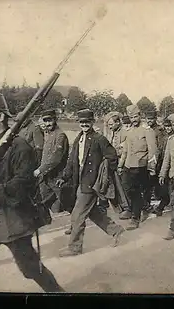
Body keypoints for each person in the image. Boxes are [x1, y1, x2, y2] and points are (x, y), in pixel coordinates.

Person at [0, 92, 63, 292]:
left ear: (0, 116)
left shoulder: (19, 146)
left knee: (30, 268)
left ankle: (57, 294)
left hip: (12, 219)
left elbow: (22, 184)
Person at [56, 109, 125, 257]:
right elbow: (71, 161)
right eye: (82, 122)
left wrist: (101, 171)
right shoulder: (78, 139)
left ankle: (75, 247)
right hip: (79, 181)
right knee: (92, 213)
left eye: (87, 122)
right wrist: (65, 177)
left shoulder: (99, 139)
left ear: (92, 122)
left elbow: (112, 156)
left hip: (91, 183)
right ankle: (116, 230)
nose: (84, 124)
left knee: (77, 215)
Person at [118, 105, 157, 230]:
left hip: (141, 166)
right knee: (126, 188)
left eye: (135, 117)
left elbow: (153, 151)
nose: (134, 119)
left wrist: (152, 168)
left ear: (140, 116)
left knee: (135, 190)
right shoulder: (128, 131)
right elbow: (126, 150)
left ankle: (135, 218)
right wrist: (121, 165)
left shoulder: (147, 130)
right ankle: (144, 206)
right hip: (129, 164)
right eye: (131, 117)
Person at [34, 109, 70, 215]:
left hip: (56, 175)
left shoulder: (60, 135)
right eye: (45, 121)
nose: (48, 123)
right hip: (46, 176)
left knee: (64, 203)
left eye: (50, 120)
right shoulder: (47, 133)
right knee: (47, 201)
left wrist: (41, 169)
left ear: (55, 120)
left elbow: (56, 157)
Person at [145, 110, 170, 216]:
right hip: (147, 161)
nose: (149, 121)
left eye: (151, 119)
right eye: (148, 119)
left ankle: (160, 206)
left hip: (157, 162)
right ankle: (147, 206)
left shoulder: (159, 131)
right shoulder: (145, 130)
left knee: (160, 185)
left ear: (155, 119)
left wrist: (155, 163)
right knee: (148, 186)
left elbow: (160, 148)